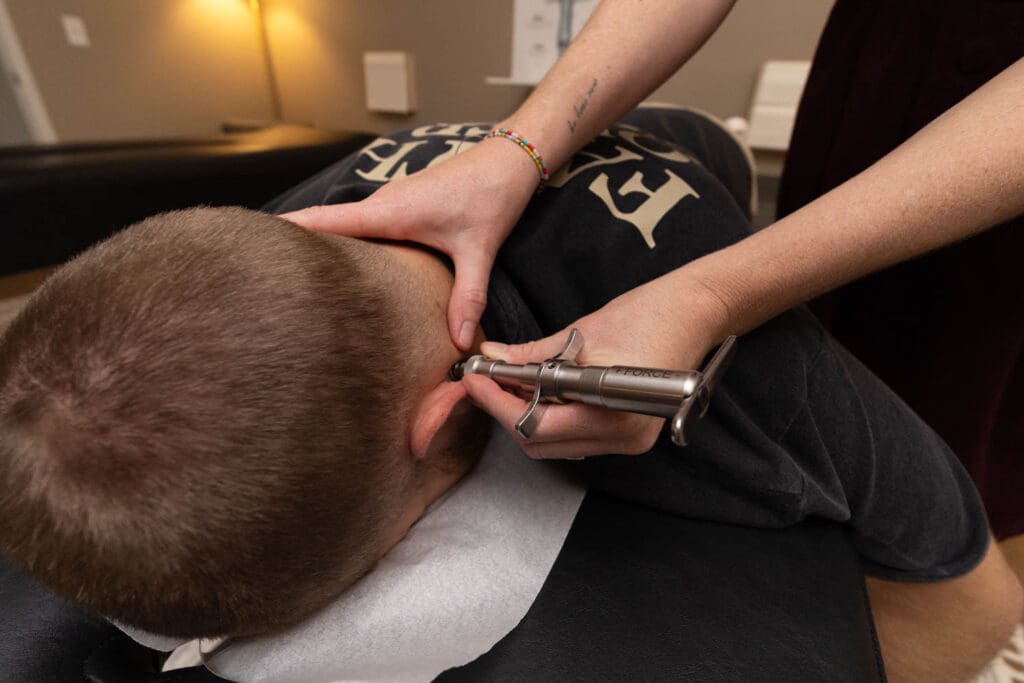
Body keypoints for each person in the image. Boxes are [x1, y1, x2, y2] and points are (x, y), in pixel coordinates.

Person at [0, 108, 1019, 680]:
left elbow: (969, 591)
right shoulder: (292, 218)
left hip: (693, 151)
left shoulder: (773, 385)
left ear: (448, 412)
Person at [283, 2, 1024, 532]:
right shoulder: (306, 215)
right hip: (881, 60)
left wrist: (711, 294)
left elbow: (948, 538)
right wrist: (517, 150)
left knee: (965, 403)